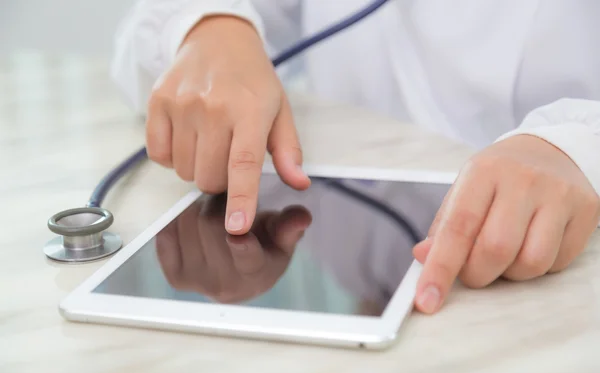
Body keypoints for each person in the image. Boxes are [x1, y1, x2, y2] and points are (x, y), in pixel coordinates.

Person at [110, 0, 600, 315]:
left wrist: (578, 146)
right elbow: (147, 29)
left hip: (552, 304)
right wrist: (211, 28)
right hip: (357, 288)